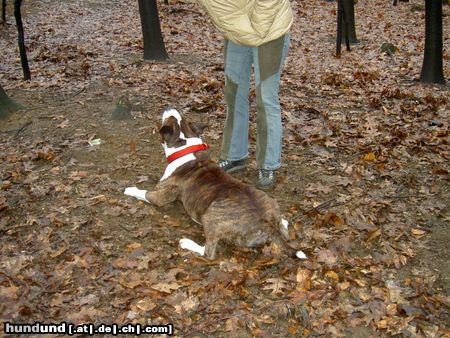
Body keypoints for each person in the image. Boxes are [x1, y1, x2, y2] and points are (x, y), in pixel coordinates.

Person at [197, 0, 293, 190]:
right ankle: (235, 155)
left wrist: (255, 30)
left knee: (266, 99)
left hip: (268, 30)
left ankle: (268, 164)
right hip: (238, 33)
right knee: (233, 94)